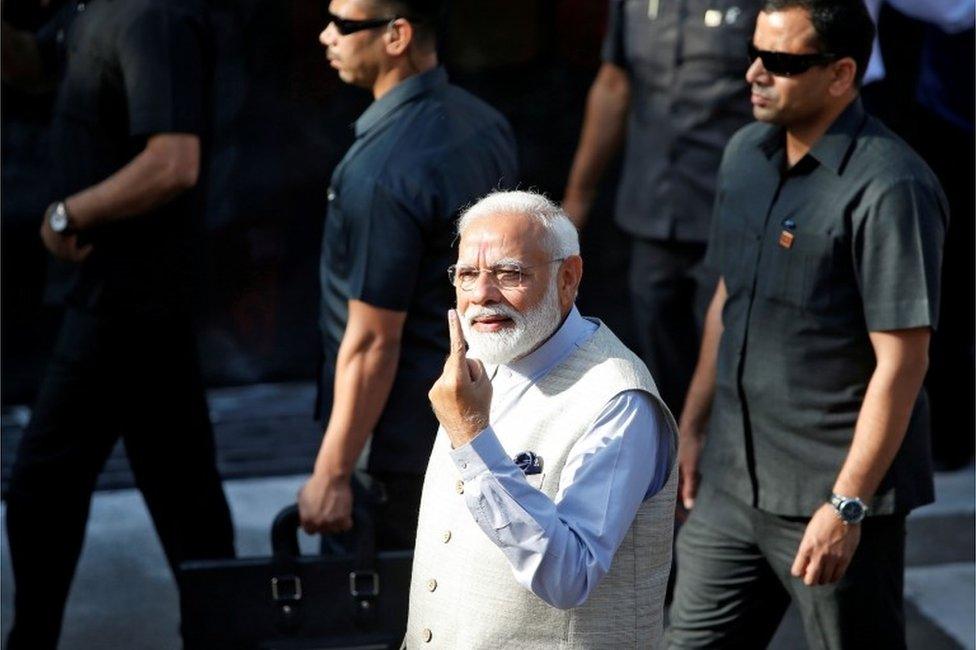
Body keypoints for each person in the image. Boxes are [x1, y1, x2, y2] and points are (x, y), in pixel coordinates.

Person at [668, 1, 947, 648]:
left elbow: (902, 364)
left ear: (842, 74)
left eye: (782, 62)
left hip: (833, 497)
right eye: (754, 53)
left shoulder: (891, 188)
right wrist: (693, 424)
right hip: (731, 484)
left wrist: (847, 504)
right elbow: (727, 298)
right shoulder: (743, 154)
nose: (754, 74)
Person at [2, 1, 235, 648]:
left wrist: (65, 215)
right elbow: (27, 66)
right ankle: (227, 636)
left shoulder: (150, 16)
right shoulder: (90, 11)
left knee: (41, 485)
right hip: (129, 304)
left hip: (124, 301)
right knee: (183, 488)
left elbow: (173, 162)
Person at [405, 191, 678, 647]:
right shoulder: (480, 358)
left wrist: (472, 436)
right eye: (467, 275)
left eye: (509, 274)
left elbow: (569, 576)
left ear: (568, 278)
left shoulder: (618, 399)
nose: (482, 296)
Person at [297, 0, 518, 548]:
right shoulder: (486, 123)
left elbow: (373, 341)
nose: (327, 35)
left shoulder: (383, 169)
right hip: (478, 418)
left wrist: (333, 472)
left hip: (395, 450)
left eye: (343, 25)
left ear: (397, 35)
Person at [562, 0, 762, 413]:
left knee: (731, 366)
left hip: (735, 214)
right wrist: (578, 198)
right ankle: (671, 467)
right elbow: (615, 84)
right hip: (652, 210)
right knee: (658, 366)